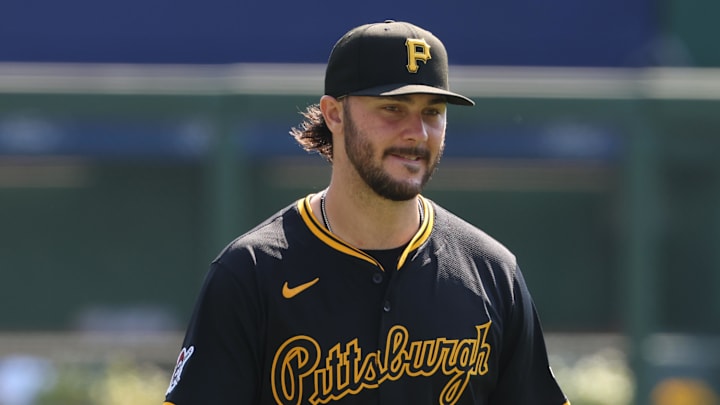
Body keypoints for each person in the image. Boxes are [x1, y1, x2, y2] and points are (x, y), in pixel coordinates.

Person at [163, 20, 569, 405]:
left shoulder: (492, 272)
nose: (417, 132)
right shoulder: (251, 273)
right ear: (334, 113)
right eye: (393, 108)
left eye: (433, 112)